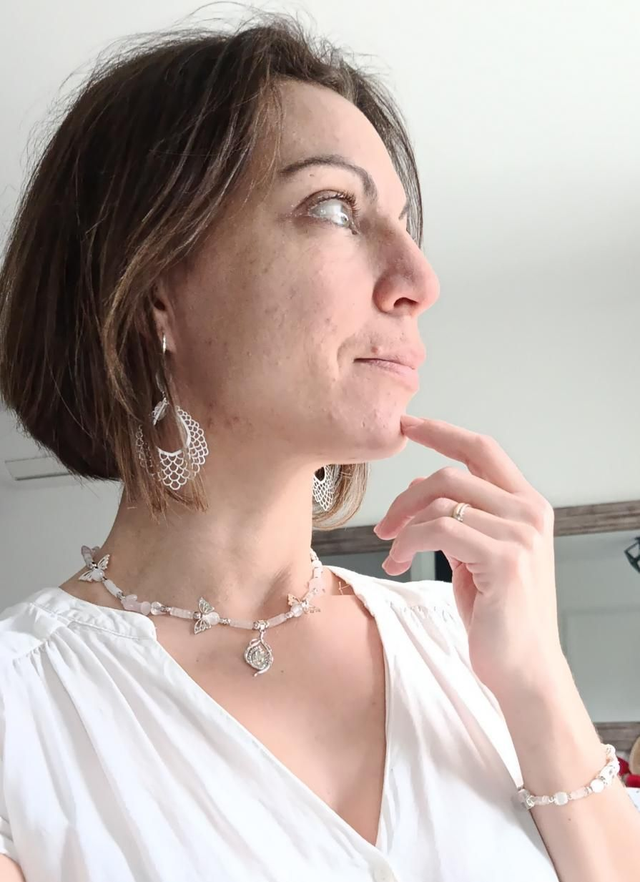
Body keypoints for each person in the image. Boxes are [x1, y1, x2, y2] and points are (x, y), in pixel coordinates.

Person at [0, 12, 562, 881]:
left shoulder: (466, 644)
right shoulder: (22, 707)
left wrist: (539, 684)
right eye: (333, 208)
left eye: (405, 226)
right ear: (154, 290)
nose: (419, 281)